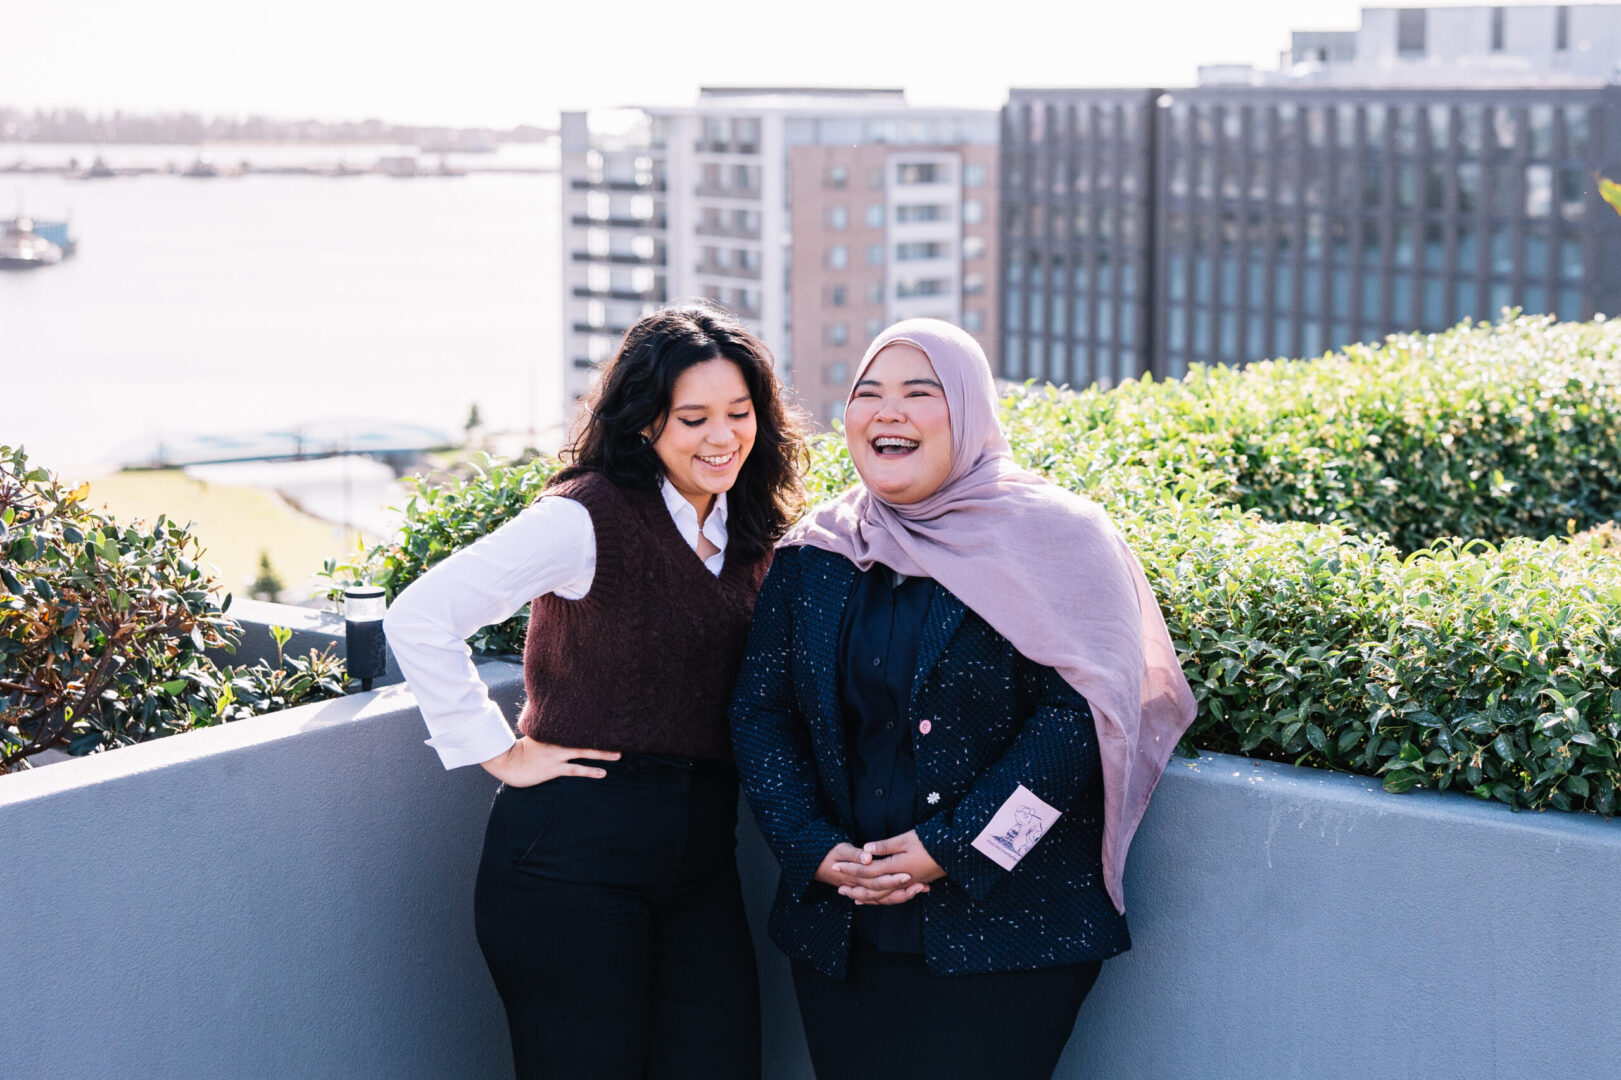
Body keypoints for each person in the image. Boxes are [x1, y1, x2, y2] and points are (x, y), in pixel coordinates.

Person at [729, 318, 1195, 1080]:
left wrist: (951, 849)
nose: (888, 412)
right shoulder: (819, 549)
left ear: (971, 411)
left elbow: (1081, 718)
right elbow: (762, 711)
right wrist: (812, 850)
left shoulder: (1057, 536)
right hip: (840, 928)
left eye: (921, 392)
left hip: (1008, 930)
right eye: (867, 394)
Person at [384, 303, 805, 1080]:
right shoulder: (586, 517)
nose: (722, 437)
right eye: (693, 418)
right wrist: (497, 751)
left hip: (701, 857)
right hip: (571, 858)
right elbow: (421, 616)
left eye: (739, 414)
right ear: (646, 422)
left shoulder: (752, 531)